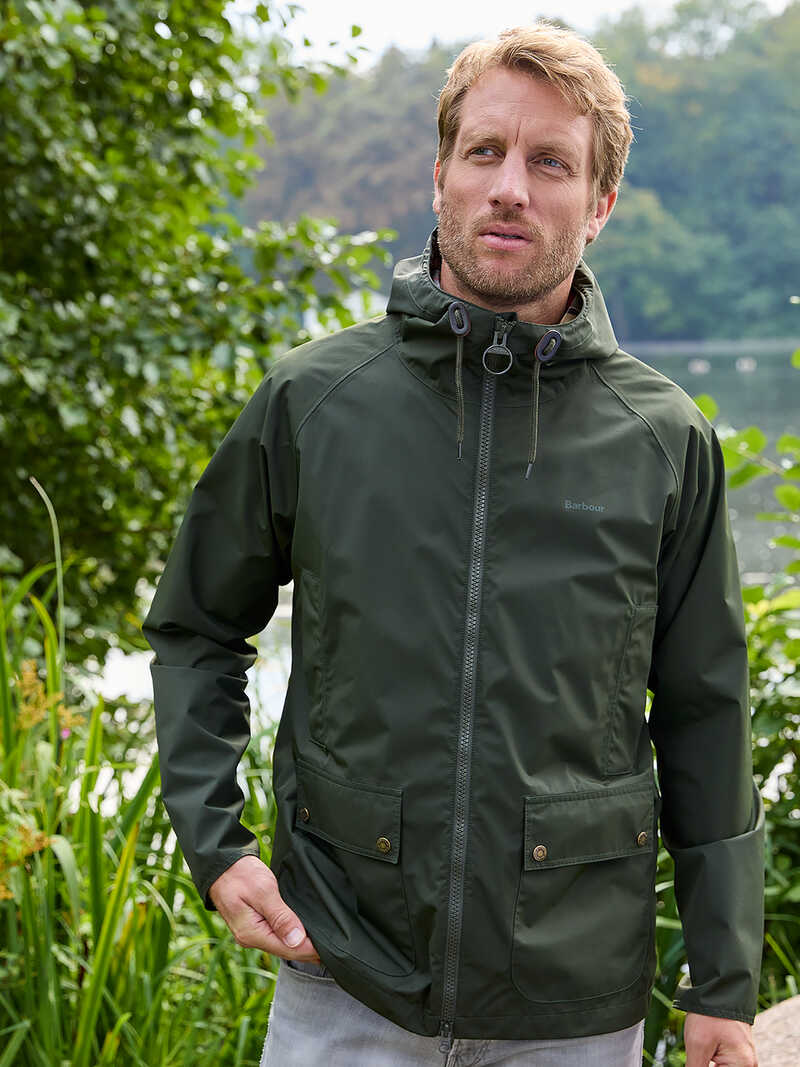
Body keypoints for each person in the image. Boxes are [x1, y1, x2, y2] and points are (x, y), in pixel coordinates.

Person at [142, 22, 765, 1067]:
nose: (509, 187)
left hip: (571, 1005)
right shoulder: (314, 401)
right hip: (344, 974)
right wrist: (217, 845)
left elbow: (706, 712)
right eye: (484, 151)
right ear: (440, 177)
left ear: (600, 204)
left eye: (550, 162)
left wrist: (723, 980)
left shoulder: (663, 438)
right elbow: (196, 629)